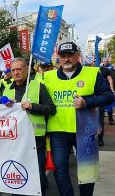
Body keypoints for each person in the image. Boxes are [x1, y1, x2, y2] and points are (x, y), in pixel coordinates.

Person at [44, 42, 113, 196]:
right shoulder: (47, 76)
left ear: (78, 55)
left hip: (85, 130)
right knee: (60, 168)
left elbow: (108, 97)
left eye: (70, 55)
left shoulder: (92, 73)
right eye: (63, 56)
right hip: (58, 131)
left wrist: (87, 102)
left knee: (87, 170)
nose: (67, 59)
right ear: (58, 58)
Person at [2, 58, 56, 196]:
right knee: (18, 177)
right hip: (15, 142)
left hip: (35, 141)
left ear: (27, 69)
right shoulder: (6, 89)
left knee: (37, 175)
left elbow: (51, 109)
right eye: (13, 70)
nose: (16, 73)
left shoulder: (38, 86)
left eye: (19, 69)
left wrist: (33, 107)